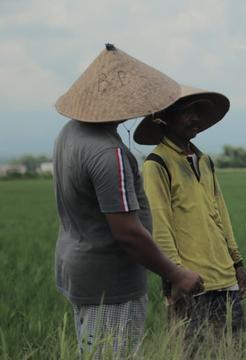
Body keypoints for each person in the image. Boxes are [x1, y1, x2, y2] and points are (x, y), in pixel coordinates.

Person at [53, 44, 203, 358]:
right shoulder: (109, 154)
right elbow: (127, 232)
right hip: (111, 283)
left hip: (79, 270)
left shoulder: (69, 133)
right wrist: (175, 274)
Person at [133, 84, 246, 341]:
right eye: (186, 111)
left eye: (198, 112)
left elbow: (221, 214)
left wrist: (237, 262)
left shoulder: (204, 160)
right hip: (190, 282)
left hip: (224, 277)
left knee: (236, 349)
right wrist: (174, 275)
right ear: (164, 118)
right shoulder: (157, 164)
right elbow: (160, 226)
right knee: (193, 351)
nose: (195, 118)